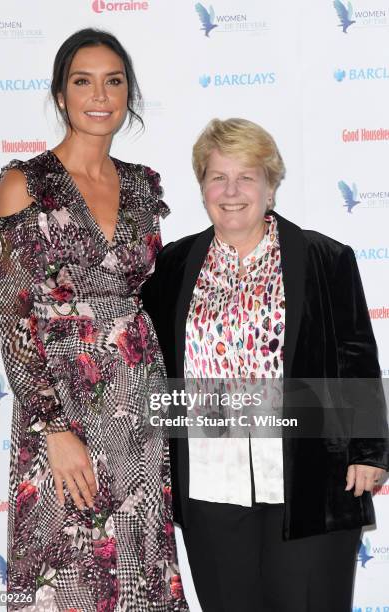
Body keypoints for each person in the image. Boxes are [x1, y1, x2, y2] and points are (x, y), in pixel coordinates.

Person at [142, 118, 389, 612]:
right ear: (202, 186)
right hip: (208, 484)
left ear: (271, 186)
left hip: (310, 479)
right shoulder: (173, 265)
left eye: (246, 177)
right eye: (217, 177)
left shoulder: (324, 257)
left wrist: (369, 450)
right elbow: (147, 356)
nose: (231, 191)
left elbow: (356, 353)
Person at [0, 28, 188, 612]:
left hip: (137, 403)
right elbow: (15, 318)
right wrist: (54, 429)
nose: (100, 95)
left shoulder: (145, 187)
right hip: (64, 407)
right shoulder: (27, 184)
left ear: (128, 94)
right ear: (60, 94)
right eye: (82, 81)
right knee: (69, 571)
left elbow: (151, 297)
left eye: (113, 80)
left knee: (139, 569)